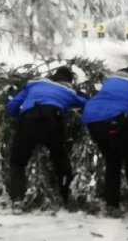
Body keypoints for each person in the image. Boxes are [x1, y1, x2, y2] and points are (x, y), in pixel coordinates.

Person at [5, 66, 88, 211]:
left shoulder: (34, 83)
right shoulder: (68, 90)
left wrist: (16, 117)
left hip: (28, 120)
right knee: (60, 160)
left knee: (18, 161)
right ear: (69, 80)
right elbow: (87, 103)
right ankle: (66, 197)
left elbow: (12, 104)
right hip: (52, 121)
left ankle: (17, 199)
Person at [81, 58, 128, 208]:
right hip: (114, 122)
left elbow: (111, 99)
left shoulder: (113, 76)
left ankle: (112, 202)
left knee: (112, 160)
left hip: (92, 120)